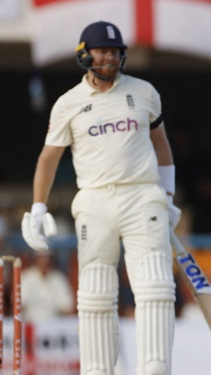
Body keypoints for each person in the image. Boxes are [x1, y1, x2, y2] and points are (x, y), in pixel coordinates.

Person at [21, 21, 181, 375]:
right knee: (95, 292)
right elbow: (48, 158)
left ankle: (154, 367)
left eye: (114, 51)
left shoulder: (144, 92)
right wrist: (37, 208)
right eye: (101, 51)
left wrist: (167, 196)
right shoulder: (68, 104)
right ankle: (96, 369)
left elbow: (161, 145)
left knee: (154, 284)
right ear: (85, 55)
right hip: (94, 200)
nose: (108, 57)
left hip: (142, 195)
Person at [20, 251, 75, 323]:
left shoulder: (59, 279)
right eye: (41, 258)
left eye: (46, 258)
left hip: (54, 326)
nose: (44, 261)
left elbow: (68, 307)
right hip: (30, 324)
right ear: (35, 259)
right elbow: (19, 305)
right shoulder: (26, 278)